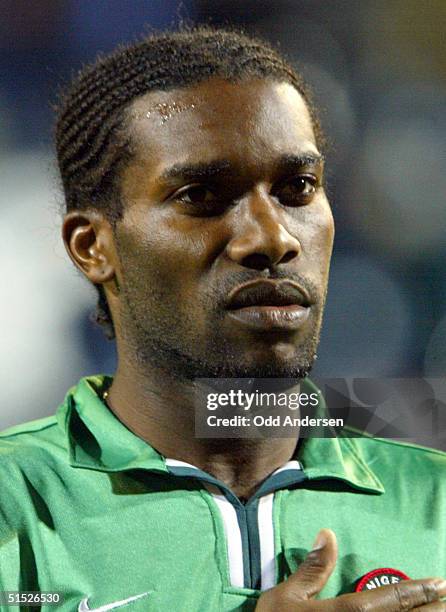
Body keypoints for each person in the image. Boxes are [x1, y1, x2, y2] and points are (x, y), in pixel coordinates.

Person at [0, 26, 445, 612]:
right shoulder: (16, 505)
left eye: (298, 188)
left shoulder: (434, 501)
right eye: (201, 196)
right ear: (93, 247)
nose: (273, 237)